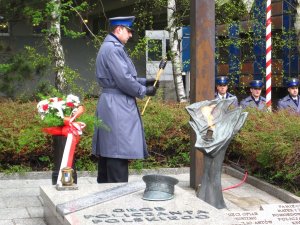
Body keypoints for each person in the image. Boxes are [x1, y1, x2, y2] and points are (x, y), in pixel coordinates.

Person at [92, 16, 158, 183]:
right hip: (117, 104)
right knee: (117, 152)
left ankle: (105, 194)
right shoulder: (114, 49)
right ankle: (117, 198)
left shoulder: (109, 47)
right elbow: (123, 79)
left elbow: (119, 77)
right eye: (128, 31)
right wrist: (143, 90)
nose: (130, 35)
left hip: (111, 101)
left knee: (109, 151)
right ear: (118, 29)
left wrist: (144, 81)